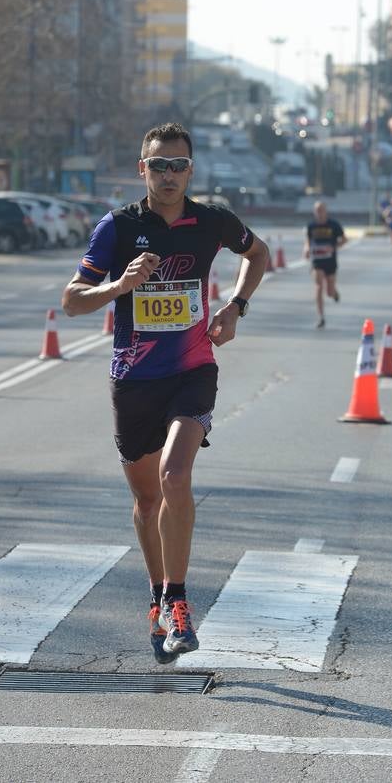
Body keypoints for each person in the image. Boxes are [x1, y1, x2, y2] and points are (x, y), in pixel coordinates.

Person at [62, 122, 268, 663]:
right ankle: (156, 596)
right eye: (159, 165)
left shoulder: (211, 220)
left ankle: (178, 601)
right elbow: (72, 300)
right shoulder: (118, 227)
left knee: (175, 476)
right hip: (133, 380)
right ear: (142, 168)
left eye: (178, 165)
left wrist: (234, 307)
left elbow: (259, 253)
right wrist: (120, 286)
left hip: (193, 369)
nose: (169, 175)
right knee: (146, 498)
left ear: (191, 170)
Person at [303, 201, 347, 329]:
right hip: (317, 261)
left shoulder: (334, 225)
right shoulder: (311, 226)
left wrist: (334, 247)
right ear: (314, 212)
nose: (319, 213)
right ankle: (321, 317)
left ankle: (334, 293)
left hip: (330, 262)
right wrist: (306, 249)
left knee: (329, 292)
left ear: (326, 211)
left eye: (321, 210)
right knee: (318, 286)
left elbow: (344, 239)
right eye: (317, 210)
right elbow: (308, 240)